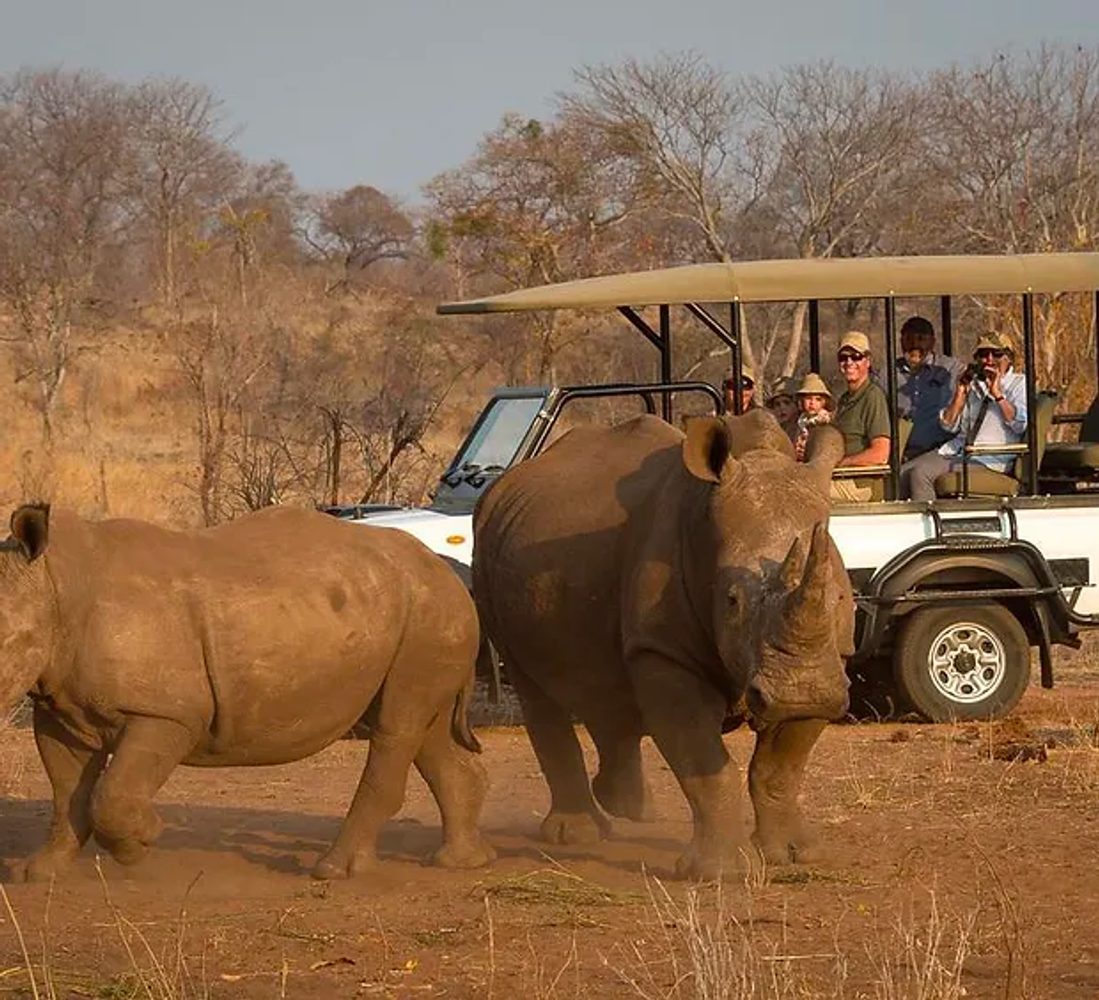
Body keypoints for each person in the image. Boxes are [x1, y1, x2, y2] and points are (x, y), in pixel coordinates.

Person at [900, 331, 1027, 501]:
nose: (989, 360)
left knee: (921, 474)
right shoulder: (975, 385)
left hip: (989, 458)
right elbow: (948, 425)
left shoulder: (1019, 384)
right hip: (956, 450)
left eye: (996, 354)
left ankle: (927, 523)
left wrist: (997, 394)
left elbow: (1020, 424)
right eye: (983, 355)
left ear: (1008, 358)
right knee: (901, 473)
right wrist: (960, 393)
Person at [831, 331, 891, 502]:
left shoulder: (873, 396)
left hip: (861, 484)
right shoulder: (843, 400)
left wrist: (842, 463)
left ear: (867, 361)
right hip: (837, 477)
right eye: (843, 357)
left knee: (801, 493)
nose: (849, 362)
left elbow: (880, 454)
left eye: (856, 356)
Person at [895, 316, 964, 460]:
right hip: (901, 454)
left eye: (921, 339)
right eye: (908, 339)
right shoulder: (887, 374)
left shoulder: (951, 369)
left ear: (932, 342)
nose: (914, 345)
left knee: (917, 474)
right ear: (901, 342)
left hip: (942, 451)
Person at [793, 372, 834, 461]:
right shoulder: (800, 421)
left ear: (824, 402)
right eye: (808, 398)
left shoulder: (824, 420)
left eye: (818, 399)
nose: (812, 403)